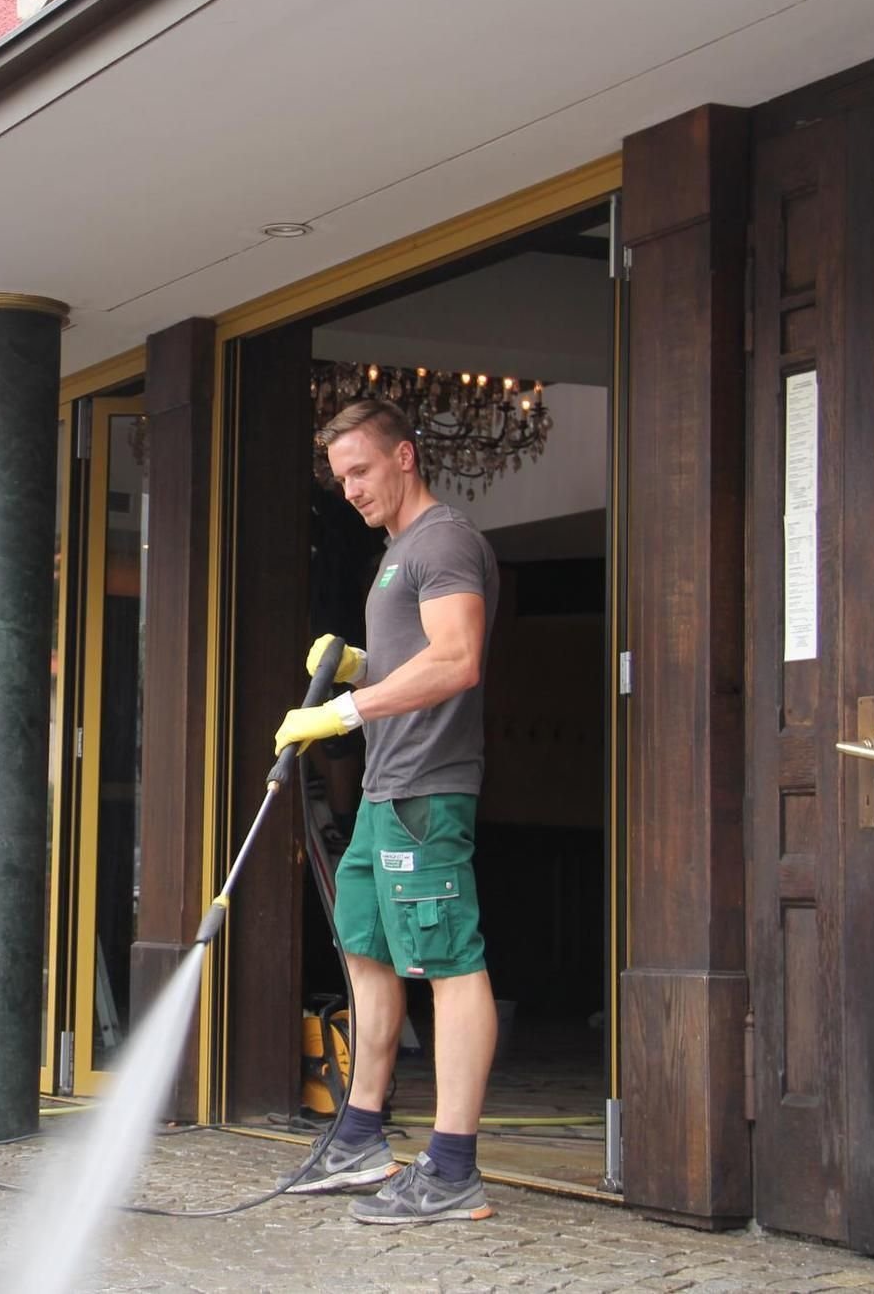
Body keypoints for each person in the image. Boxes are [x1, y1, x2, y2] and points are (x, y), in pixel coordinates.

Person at [273, 398, 499, 1224]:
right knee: (365, 947)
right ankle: (363, 1132)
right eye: (339, 478)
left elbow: (458, 658)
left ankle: (451, 1167)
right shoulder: (396, 554)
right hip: (382, 789)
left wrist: (343, 713)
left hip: (425, 790)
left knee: (449, 962)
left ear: (405, 456)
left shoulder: (442, 540)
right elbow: (416, 655)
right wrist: (363, 666)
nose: (351, 490)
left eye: (361, 471)